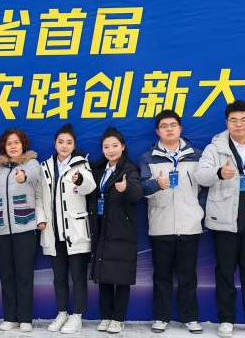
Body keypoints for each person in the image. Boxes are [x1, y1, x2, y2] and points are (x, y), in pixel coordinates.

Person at [195, 100, 245, 338]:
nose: (239, 125)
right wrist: (219, 173)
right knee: (225, 271)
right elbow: (200, 176)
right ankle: (226, 319)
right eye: (233, 120)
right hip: (224, 217)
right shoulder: (214, 148)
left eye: (243, 120)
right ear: (226, 122)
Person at [139, 110, 204, 334]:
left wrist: (198, 211)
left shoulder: (197, 155)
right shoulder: (147, 158)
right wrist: (157, 184)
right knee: (162, 276)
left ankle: (190, 317)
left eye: (173, 125)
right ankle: (161, 317)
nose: (169, 129)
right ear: (157, 131)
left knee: (188, 275)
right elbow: (142, 189)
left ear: (180, 129)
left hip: (190, 224)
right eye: (164, 126)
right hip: (161, 224)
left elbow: (205, 188)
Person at [36, 123, 97, 334]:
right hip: (53, 231)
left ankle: (77, 316)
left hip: (75, 231)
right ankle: (62, 313)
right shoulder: (45, 166)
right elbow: (39, 196)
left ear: (74, 145)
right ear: (55, 144)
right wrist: (41, 218)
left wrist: (80, 180)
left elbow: (90, 187)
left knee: (78, 276)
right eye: (61, 142)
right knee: (59, 277)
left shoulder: (81, 164)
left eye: (69, 142)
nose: (64, 146)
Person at [87, 127, 143, 335]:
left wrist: (126, 188)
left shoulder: (129, 169)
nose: (110, 150)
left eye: (114, 146)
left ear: (123, 147)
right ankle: (106, 316)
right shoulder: (98, 169)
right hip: (101, 226)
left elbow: (137, 193)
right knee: (103, 274)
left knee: (121, 276)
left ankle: (118, 319)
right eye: (106, 147)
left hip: (121, 229)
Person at [0, 128, 41, 332]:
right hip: (1, 230)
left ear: (23, 145)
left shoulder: (31, 164)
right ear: (4, 146)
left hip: (24, 228)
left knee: (24, 275)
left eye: (16, 142)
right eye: (9, 143)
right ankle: (10, 317)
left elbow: (31, 175)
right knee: (6, 275)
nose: (13, 146)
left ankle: (25, 318)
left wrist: (22, 176)